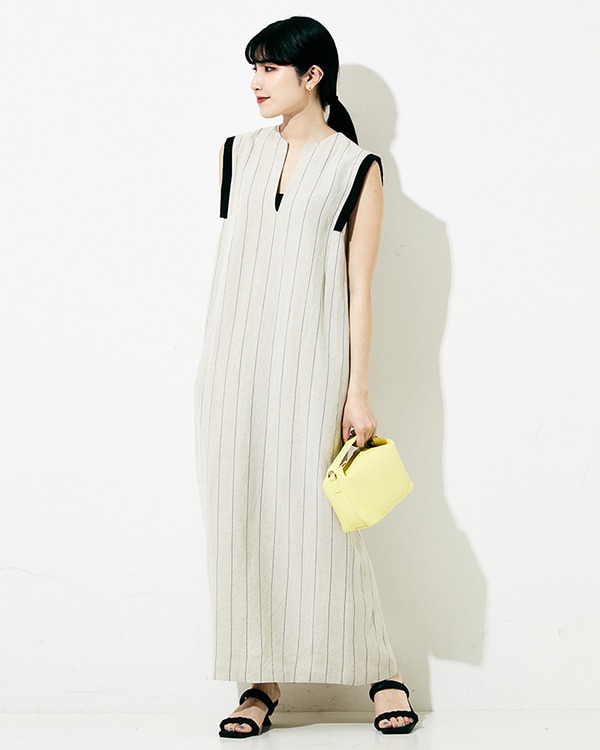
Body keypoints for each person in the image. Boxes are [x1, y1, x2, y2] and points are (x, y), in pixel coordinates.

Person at [195, 16, 419, 738]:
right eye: (253, 68)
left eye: (269, 68)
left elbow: (360, 289)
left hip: (312, 367)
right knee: (238, 519)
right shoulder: (237, 154)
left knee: (321, 525)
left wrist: (358, 391)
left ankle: (380, 670)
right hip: (230, 368)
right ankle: (258, 683)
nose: (255, 82)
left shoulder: (356, 168)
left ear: (312, 75)